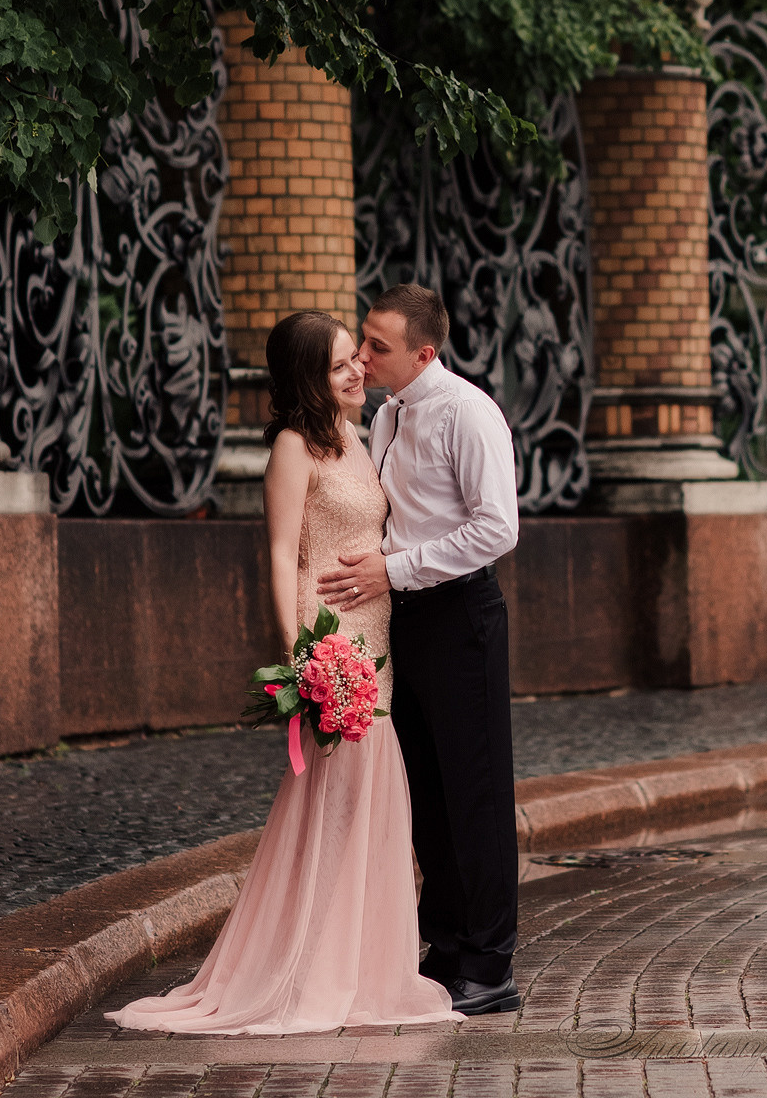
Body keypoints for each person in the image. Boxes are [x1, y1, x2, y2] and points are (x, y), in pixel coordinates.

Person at [106, 309, 452, 1036]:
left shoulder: (356, 436)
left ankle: (359, 967)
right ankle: (308, 968)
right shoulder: (294, 447)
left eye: (355, 358)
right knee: (331, 803)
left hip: (376, 640)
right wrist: (301, 656)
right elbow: (279, 554)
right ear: (307, 379)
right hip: (331, 640)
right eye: (339, 365)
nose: (358, 370)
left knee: (366, 805)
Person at [317, 282, 521, 1017]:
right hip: (403, 619)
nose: (364, 357)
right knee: (427, 792)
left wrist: (395, 569)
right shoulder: (387, 415)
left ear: (424, 353)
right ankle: (447, 947)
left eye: (378, 347)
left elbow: (497, 528)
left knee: (476, 792)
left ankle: (490, 966)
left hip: (462, 613)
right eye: (364, 340)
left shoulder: (468, 412)